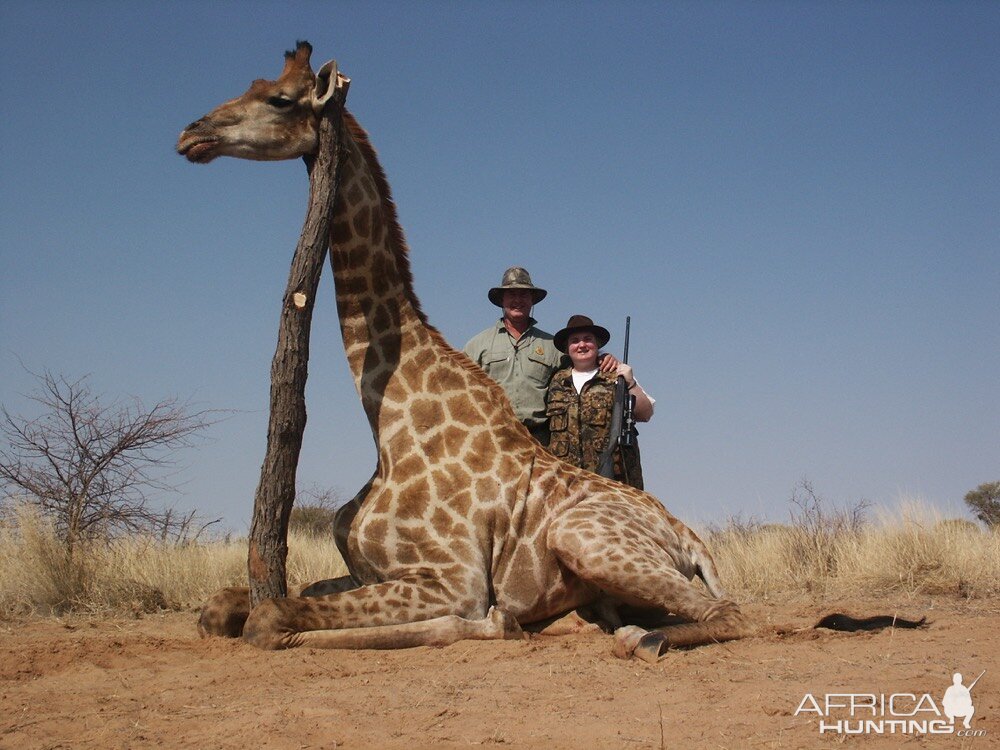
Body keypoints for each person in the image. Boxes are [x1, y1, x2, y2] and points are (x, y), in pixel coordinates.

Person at [463, 267, 616, 444]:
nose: (518, 300)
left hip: (539, 440)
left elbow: (582, 366)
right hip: (491, 437)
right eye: (512, 294)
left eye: (524, 295)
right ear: (501, 300)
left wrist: (602, 358)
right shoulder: (476, 345)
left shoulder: (552, 346)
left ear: (532, 300)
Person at [545, 314, 654, 489]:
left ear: (598, 345)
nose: (581, 345)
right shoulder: (555, 381)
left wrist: (631, 383)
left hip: (613, 480)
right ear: (567, 348)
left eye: (588, 339)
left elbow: (645, 413)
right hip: (568, 482)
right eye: (575, 340)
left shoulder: (618, 376)